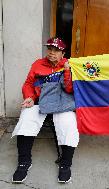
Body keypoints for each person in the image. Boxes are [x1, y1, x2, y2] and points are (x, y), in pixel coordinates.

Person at [11, 37, 79, 183]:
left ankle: (65, 164)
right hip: (39, 100)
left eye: (56, 50)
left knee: (69, 124)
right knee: (25, 121)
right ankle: (24, 162)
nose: (52, 53)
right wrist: (29, 97)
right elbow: (28, 83)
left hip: (62, 103)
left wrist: (67, 71)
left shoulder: (69, 65)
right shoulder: (38, 64)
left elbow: (70, 89)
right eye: (50, 49)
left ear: (63, 53)